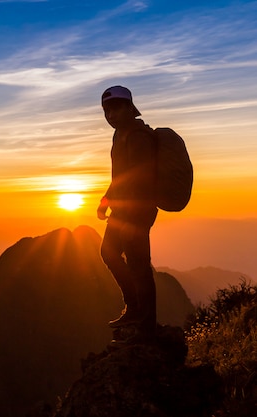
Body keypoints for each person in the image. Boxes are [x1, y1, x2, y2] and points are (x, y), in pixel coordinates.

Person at [97, 85, 158, 342]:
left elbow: (140, 176)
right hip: (122, 210)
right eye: (107, 110)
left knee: (138, 264)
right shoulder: (119, 135)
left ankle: (146, 323)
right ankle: (133, 308)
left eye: (115, 108)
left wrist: (126, 207)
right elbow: (121, 175)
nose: (111, 115)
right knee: (109, 253)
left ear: (128, 108)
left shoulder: (137, 136)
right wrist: (106, 200)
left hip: (137, 210)